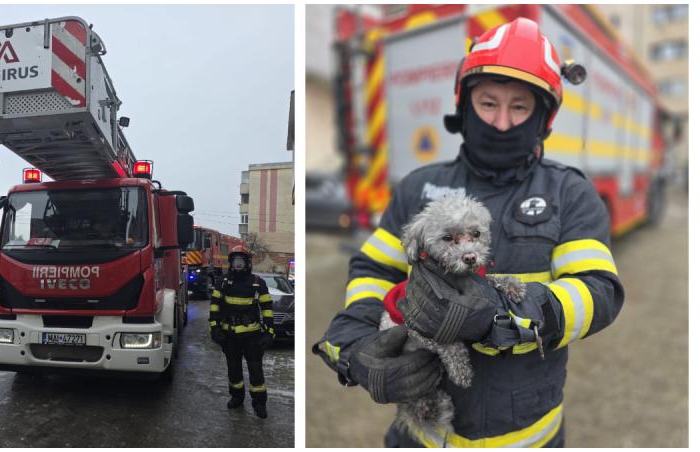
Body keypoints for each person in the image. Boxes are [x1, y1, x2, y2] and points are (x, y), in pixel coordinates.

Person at [313, 18, 624, 447]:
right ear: (464, 104)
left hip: (525, 438)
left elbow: (598, 293)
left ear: (542, 119)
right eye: (488, 103)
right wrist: (359, 348)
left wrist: (501, 313)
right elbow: (371, 270)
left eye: (519, 107)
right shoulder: (417, 188)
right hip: (419, 437)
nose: (501, 123)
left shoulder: (569, 192)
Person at [209, 245, 275, 419]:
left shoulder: (257, 283)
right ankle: (237, 397)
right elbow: (214, 308)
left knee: (255, 370)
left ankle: (259, 403)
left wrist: (269, 332)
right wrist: (214, 328)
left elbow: (267, 309)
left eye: (241, 260)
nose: (238, 264)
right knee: (234, 370)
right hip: (229, 337)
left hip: (252, 337)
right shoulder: (221, 283)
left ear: (247, 263)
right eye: (235, 260)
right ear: (230, 262)